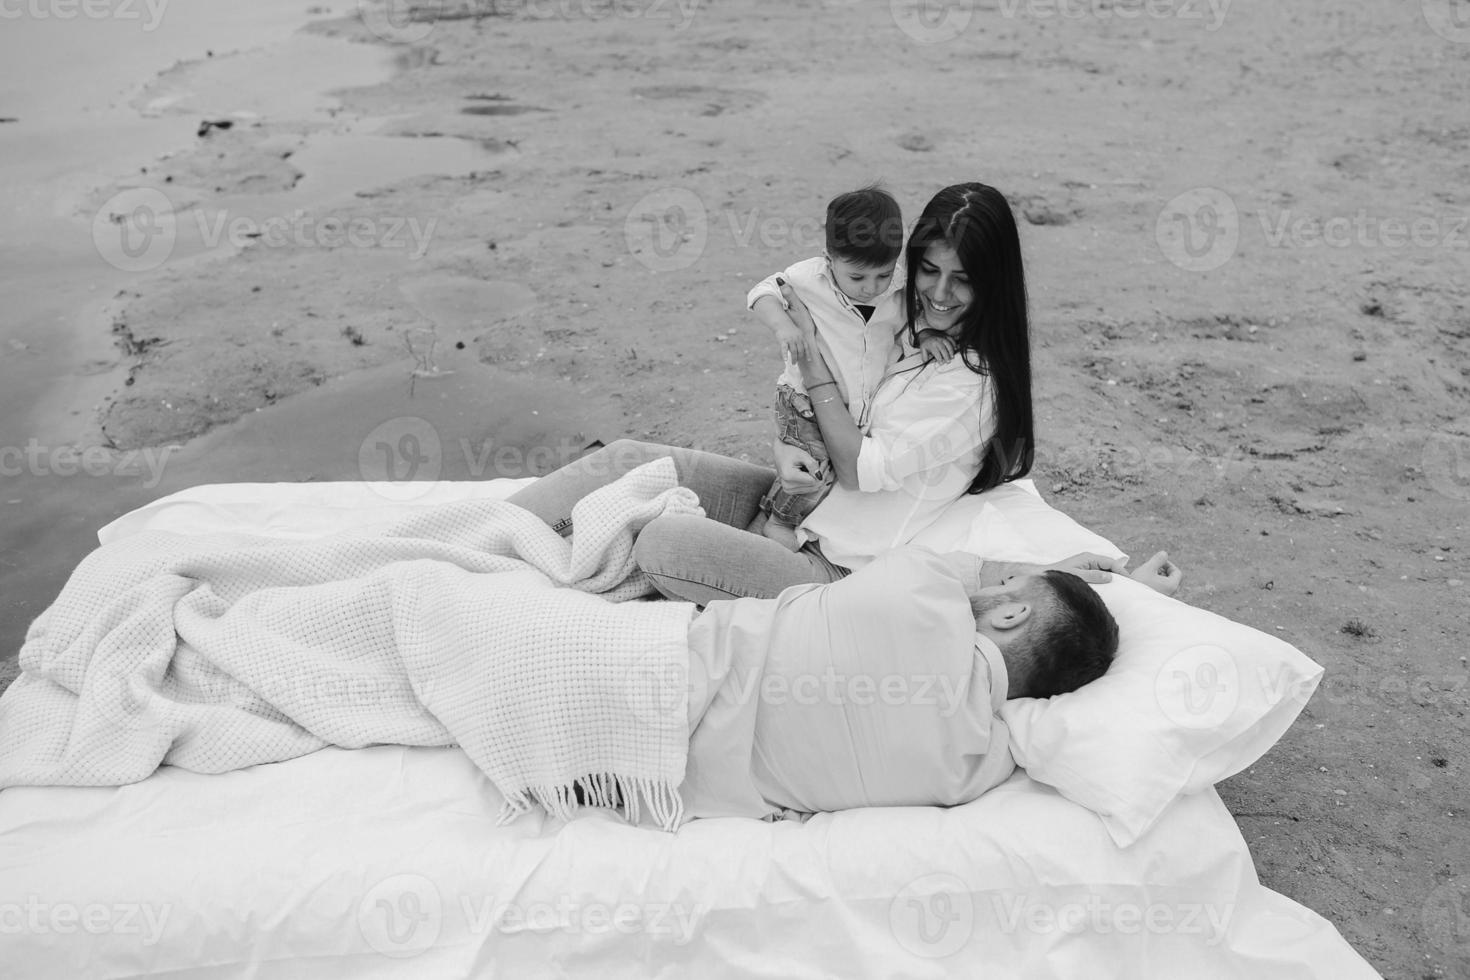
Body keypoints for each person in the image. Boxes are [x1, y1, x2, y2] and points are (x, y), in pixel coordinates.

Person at [506, 182, 1036, 605]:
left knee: (664, 542)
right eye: (929, 270)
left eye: (962, 279)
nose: (940, 293)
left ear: (994, 282)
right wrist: (788, 446)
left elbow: (858, 467)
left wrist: (810, 359)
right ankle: (493, 533)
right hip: (799, 501)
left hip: (832, 564)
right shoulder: (909, 321)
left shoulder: (971, 384)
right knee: (626, 462)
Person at [679, 546, 1126, 818]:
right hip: (667, 780)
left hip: (659, 663)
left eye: (1012, 582)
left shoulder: (919, 588)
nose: (999, 582)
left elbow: (939, 572)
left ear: (1011, 614)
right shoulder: (978, 769)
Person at [745, 185, 907, 551]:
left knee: (837, 471)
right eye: (857, 278)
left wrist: (926, 336)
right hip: (802, 397)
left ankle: (773, 513)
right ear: (829, 258)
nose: (871, 288)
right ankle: (779, 523)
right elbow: (761, 292)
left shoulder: (898, 287)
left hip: (856, 405)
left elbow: (910, 325)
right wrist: (783, 326)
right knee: (812, 467)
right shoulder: (807, 278)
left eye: (882, 275)